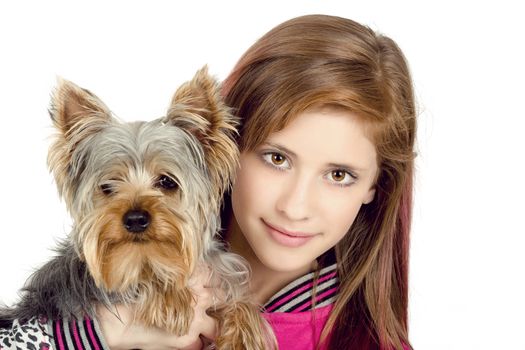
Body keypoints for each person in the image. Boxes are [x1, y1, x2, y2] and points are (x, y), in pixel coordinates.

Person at [1, 14, 415, 350]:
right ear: (228, 149)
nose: (296, 206)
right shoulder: (83, 297)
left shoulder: (365, 342)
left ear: (376, 185)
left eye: (339, 175)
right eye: (276, 158)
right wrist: (96, 335)